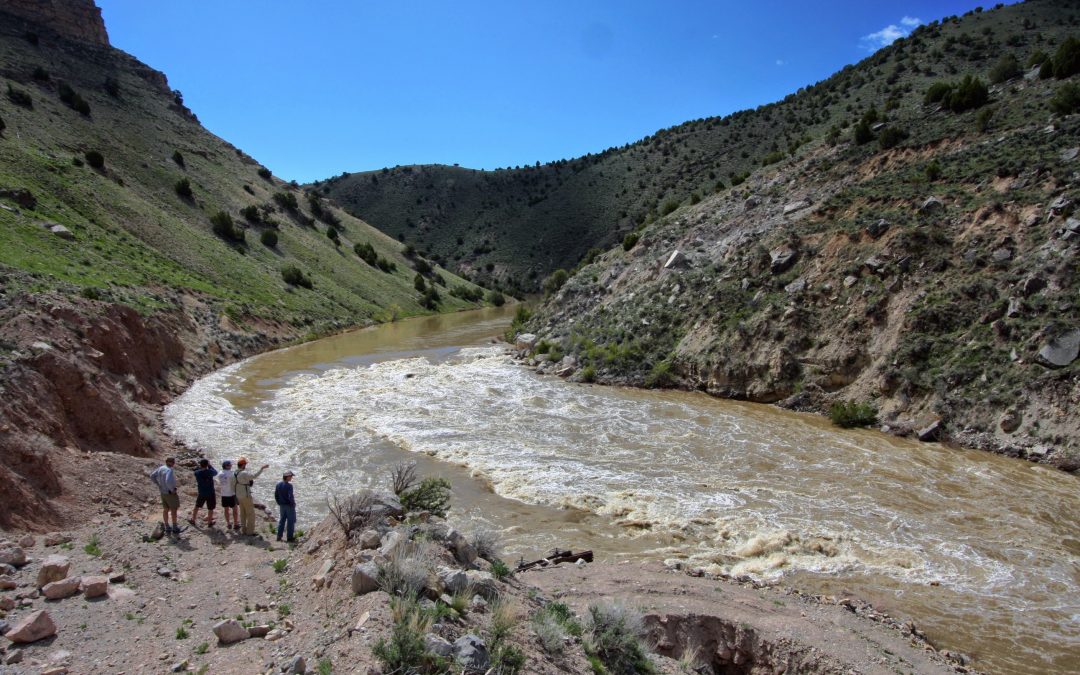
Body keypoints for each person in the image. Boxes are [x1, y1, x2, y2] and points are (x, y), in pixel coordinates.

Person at [232, 457, 269, 537]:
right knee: (251, 513)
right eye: (245, 464)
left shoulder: (234, 473)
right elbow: (254, 476)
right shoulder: (244, 473)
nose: (246, 466)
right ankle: (250, 532)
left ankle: (243, 530)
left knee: (242, 513)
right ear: (243, 465)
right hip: (246, 495)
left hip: (238, 495)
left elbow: (232, 484)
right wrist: (261, 468)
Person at [149, 457, 180, 534]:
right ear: (169, 462)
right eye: (172, 462)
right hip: (169, 493)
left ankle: (167, 526)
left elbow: (152, 476)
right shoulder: (169, 470)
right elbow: (168, 481)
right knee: (174, 510)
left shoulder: (161, 468)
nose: (173, 463)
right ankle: (175, 527)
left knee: (165, 509)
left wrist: (158, 484)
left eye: (173, 462)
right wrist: (172, 490)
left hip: (162, 492)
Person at [190, 459, 218, 527]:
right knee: (210, 508)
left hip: (202, 492)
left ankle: (193, 519)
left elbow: (195, 471)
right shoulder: (210, 472)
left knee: (197, 506)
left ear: (200, 465)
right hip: (210, 492)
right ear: (207, 464)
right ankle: (209, 522)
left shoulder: (197, 473)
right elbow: (216, 472)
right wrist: (210, 466)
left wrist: (200, 467)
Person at [274, 470, 297, 543]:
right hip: (289, 506)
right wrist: (293, 503)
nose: (291, 478)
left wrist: (279, 502)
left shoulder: (278, 484)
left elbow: (276, 495)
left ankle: (279, 536)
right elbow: (290, 496)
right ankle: (290, 538)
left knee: (282, 520)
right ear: (287, 477)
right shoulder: (289, 486)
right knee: (291, 521)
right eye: (291, 476)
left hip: (282, 505)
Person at [218, 460, 239, 530]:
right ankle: (236, 524)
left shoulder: (220, 473)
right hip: (232, 494)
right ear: (227, 466)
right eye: (230, 465)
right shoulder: (232, 473)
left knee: (226, 510)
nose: (231, 466)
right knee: (235, 510)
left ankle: (228, 523)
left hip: (224, 494)